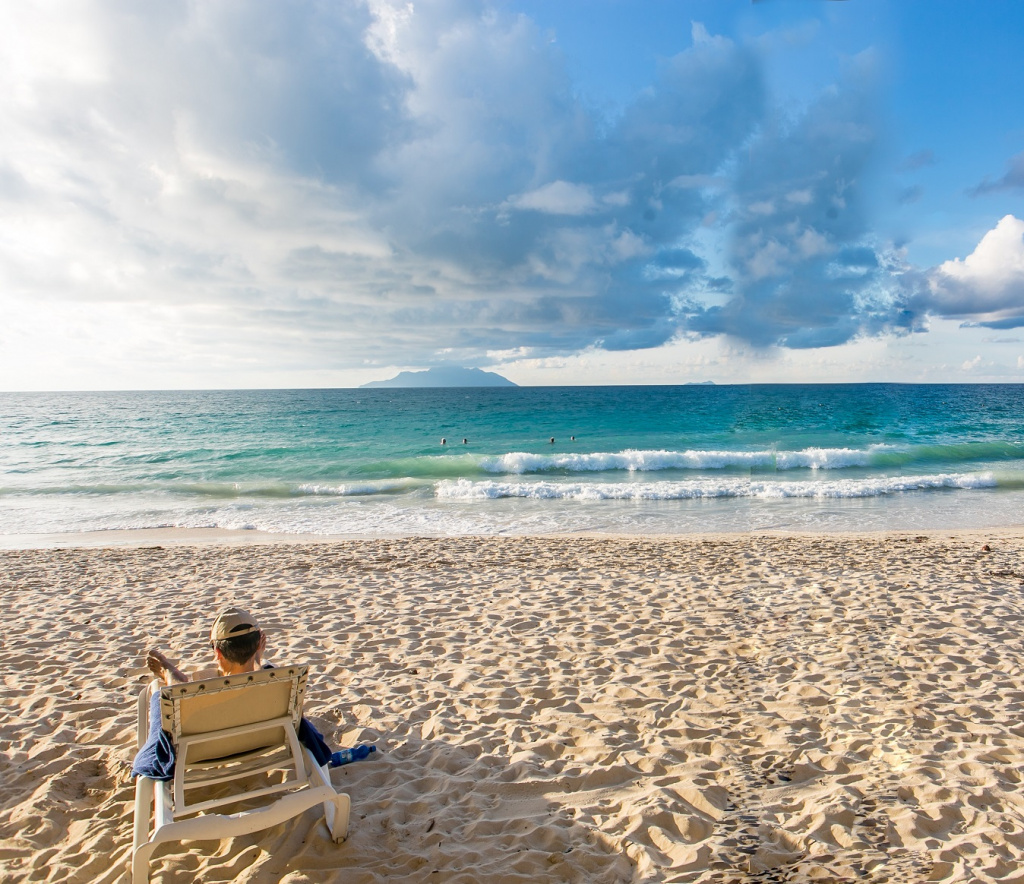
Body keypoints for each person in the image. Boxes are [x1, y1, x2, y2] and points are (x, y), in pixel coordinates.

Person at [132, 606, 336, 779]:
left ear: (217, 652)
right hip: (264, 743)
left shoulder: (190, 697)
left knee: (162, 697)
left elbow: (171, 714)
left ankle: (171, 674)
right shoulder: (280, 685)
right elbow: (295, 717)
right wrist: (257, 662)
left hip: (199, 754)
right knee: (266, 673)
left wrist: (170, 673)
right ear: (258, 645)